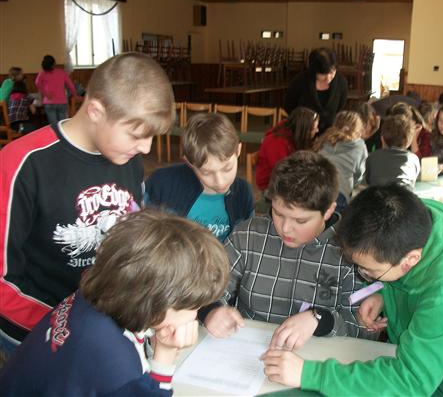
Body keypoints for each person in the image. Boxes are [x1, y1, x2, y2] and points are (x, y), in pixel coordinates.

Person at [262, 184, 443, 396]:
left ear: (410, 260)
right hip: (426, 340)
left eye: (369, 271)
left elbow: (411, 381)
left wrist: (310, 374)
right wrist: (382, 291)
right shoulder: (411, 217)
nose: (363, 275)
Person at [0, 52, 175, 356]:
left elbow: (132, 239)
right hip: (36, 334)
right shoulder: (22, 163)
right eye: (136, 135)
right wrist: (70, 328)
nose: (146, 148)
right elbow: (3, 285)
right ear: (95, 111)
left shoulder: (129, 159)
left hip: (105, 329)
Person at [0, 210, 229, 396]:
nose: (195, 314)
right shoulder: (118, 368)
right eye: (193, 307)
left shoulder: (96, 294)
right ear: (154, 304)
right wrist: (166, 355)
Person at [201, 151, 377, 350]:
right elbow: (208, 287)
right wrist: (211, 311)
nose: (285, 228)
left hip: (317, 356)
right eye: (278, 213)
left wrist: (319, 320)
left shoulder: (353, 251)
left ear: (328, 210)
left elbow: (362, 328)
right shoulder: (248, 234)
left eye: (300, 221)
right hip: (246, 348)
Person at [145, 112, 253, 242]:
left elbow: (246, 241)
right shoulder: (162, 185)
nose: (220, 182)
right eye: (206, 173)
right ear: (189, 163)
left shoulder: (243, 193)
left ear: (238, 151)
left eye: (227, 169)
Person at [284, 47, 348, 135]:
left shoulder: (341, 82)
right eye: (323, 74)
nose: (328, 78)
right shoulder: (300, 81)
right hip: (304, 133)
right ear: (314, 71)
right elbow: (289, 105)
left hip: (330, 134)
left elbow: (340, 107)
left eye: (332, 72)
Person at [256, 107, 319, 191]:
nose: (317, 130)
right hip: (271, 186)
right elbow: (282, 172)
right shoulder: (276, 142)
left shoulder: (294, 136)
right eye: (314, 128)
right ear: (304, 129)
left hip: (286, 180)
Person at [315, 110, 367, 205]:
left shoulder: (324, 139)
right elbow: (359, 173)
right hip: (339, 192)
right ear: (358, 129)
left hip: (317, 188)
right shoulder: (359, 146)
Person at [361, 114, 420, 189]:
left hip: (378, 195)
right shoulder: (413, 159)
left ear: (382, 139)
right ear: (409, 142)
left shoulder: (373, 157)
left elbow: (368, 180)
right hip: (404, 195)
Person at [35, 55, 80, 128]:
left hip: (49, 102)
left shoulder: (42, 73)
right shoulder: (61, 72)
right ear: (54, 63)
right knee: (63, 125)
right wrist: (75, 95)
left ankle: (56, 135)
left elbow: (37, 83)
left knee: (54, 125)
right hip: (62, 102)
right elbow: (70, 85)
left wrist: (45, 94)